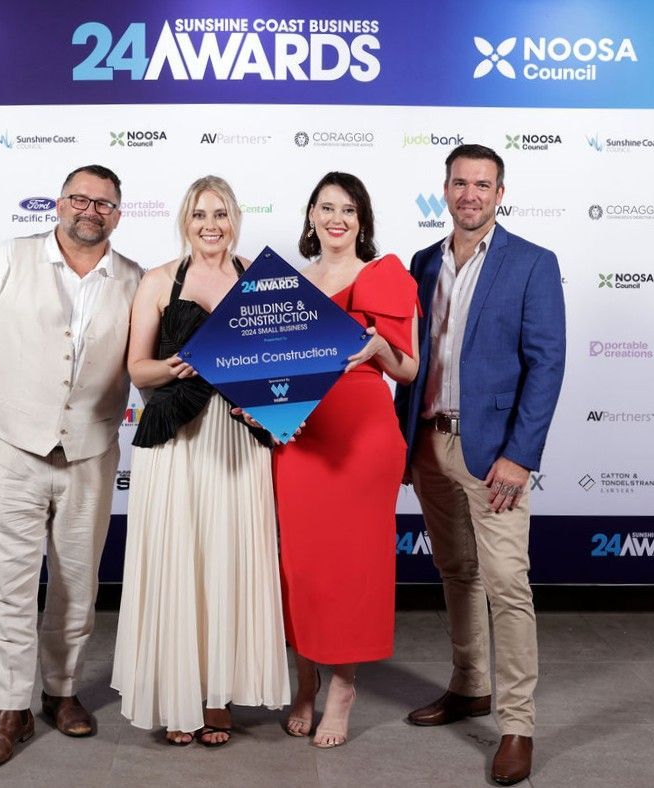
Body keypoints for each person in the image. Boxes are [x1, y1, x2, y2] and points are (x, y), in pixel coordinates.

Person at [0, 164, 143, 768]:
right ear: (58, 204)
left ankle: (61, 694)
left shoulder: (133, 279)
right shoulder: (5, 259)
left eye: (103, 204)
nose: (90, 210)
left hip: (91, 454)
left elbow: (151, 369)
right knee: (9, 589)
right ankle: (9, 711)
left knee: (78, 586)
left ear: (118, 215)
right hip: (12, 450)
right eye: (80, 198)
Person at [395, 144, 565, 785]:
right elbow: (412, 363)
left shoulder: (531, 263)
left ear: (500, 192)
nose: (471, 194)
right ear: (445, 188)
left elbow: (546, 365)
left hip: (495, 455)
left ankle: (516, 725)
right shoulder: (421, 263)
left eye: (483, 184)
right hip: (430, 445)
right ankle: (469, 686)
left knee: (507, 588)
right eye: (460, 183)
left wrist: (521, 457)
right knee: (455, 572)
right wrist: (404, 442)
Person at [111, 175, 290, 746]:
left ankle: (219, 698)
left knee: (231, 558)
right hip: (176, 440)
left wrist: (277, 408)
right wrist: (175, 366)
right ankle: (177, 699)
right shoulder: (159, 280)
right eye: (199, 215)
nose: (210, 225)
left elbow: (282, 373)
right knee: (179, 558)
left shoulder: (263, 282)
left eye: (220, 214)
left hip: (237, 439)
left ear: (235, 218)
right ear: (185, 221)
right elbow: (137, 368)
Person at [272, 172, 420, 748]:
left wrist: (381, 347)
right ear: (310, 215)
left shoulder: (383, 275)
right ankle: (303, 681)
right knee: (302, 566)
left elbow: (406, 369)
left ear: (362, 220)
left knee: (353, 566)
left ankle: (342, 689)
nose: (337, 217)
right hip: (300, 438)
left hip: (361, 436)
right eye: (327, 206)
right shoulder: (286, 285)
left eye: (349, 209)